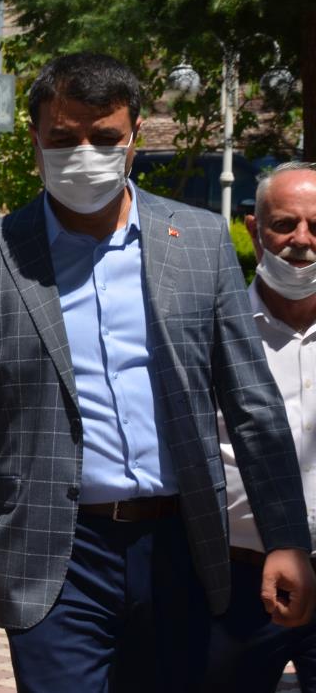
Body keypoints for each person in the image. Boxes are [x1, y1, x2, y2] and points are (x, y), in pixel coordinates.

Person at [0, 52, 315, 692]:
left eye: (105, 137)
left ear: (134, 135)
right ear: (36, 140)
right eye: (64, 138)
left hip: (182, 547)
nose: (84, 154)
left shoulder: (199, 242)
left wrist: (285, 538)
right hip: (56, 555)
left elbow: (252, 405)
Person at [205, 161, 316, 692]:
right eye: (284, 224)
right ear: (253, 229)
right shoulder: (211, 331)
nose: (302, 240)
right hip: (239, 586)